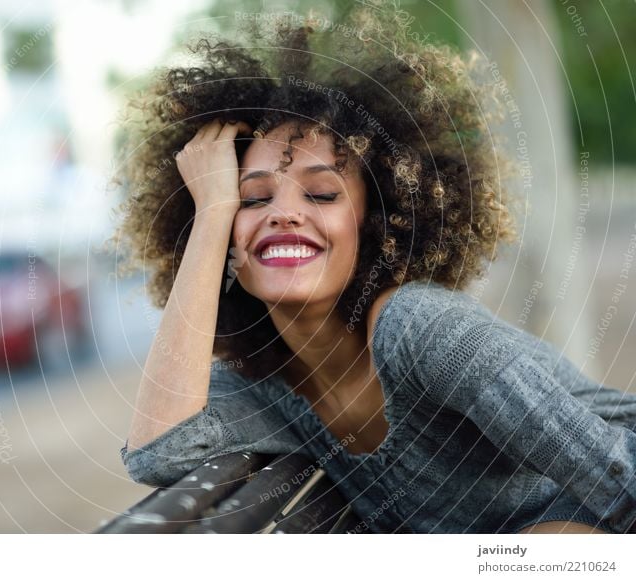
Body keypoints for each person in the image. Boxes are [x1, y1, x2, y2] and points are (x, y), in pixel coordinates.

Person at [111, 4, 636, 533]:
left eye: (321, 193)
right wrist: (211, 215)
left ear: (375, 224)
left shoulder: (424, 331)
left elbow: (620, 478)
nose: (284, 213)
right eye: (250, 201)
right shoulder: (263, 382)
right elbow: (158, 454)